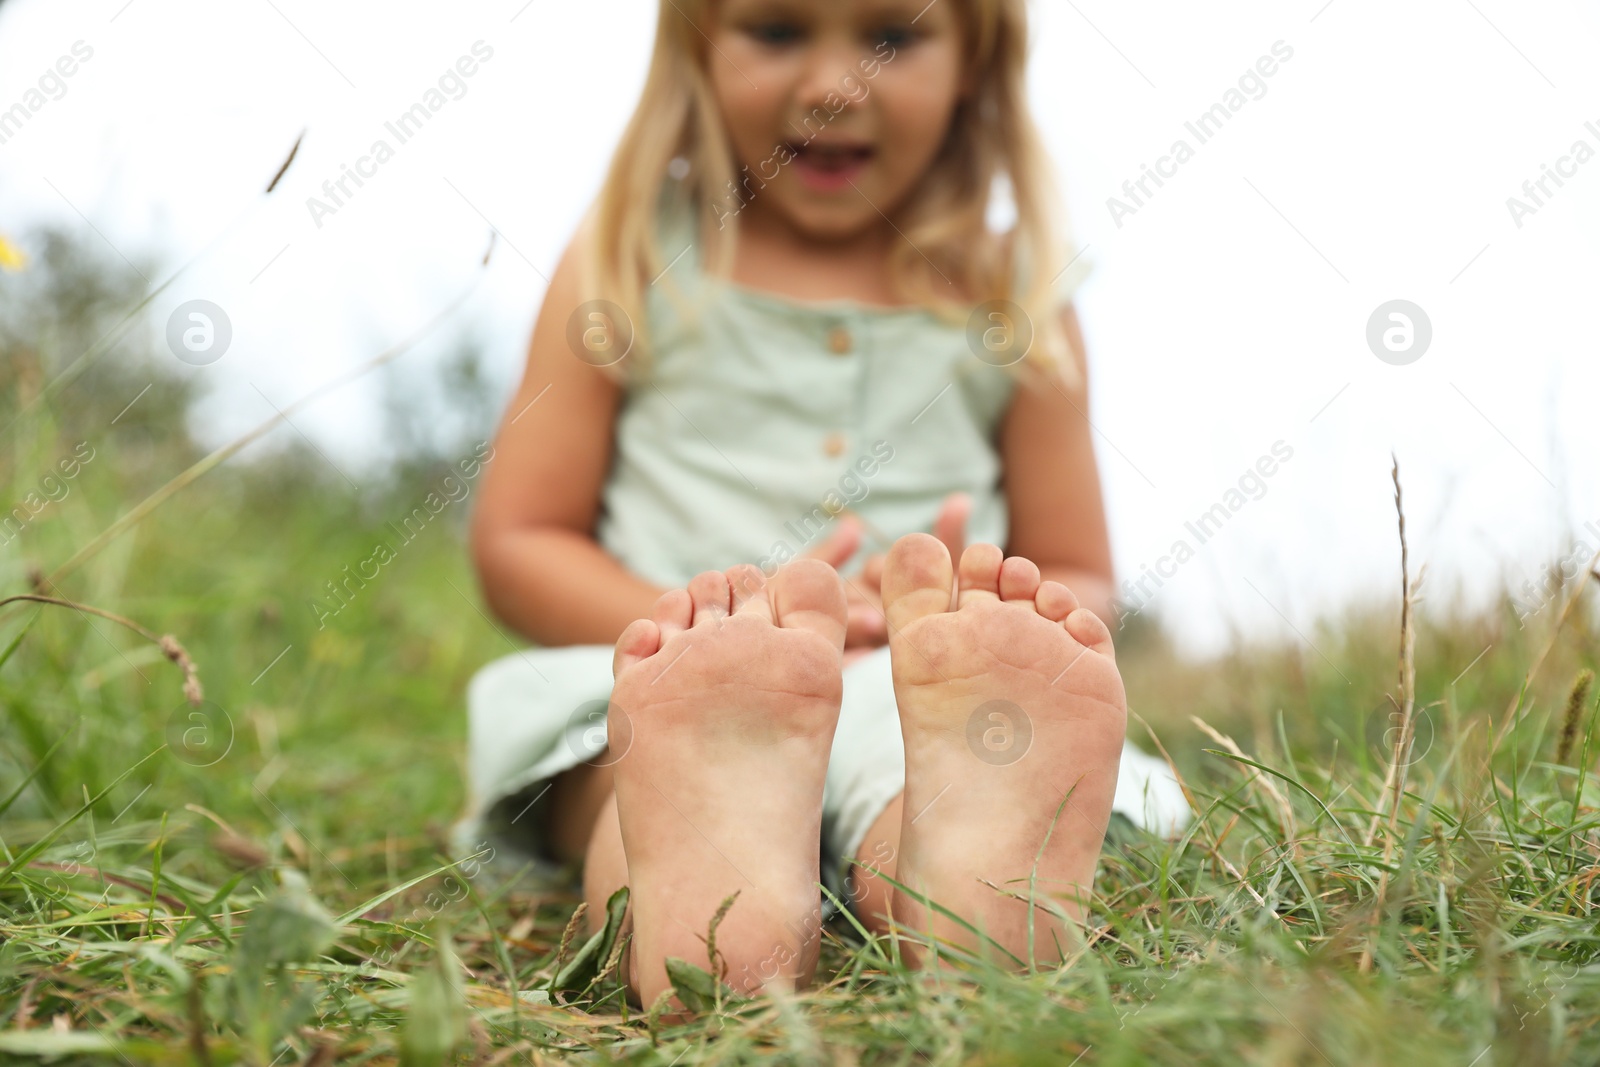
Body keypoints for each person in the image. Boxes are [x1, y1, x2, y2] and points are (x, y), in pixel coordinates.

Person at [459, 0, 1188, 1007]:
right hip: (655, 671)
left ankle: (963, 891)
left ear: (976, 61)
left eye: (891, 35)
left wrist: (967, 615)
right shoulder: (632, 258)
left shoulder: (1011, 291)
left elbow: (1079, 567)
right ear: (695, 49)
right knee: (635, 765)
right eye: (778, 30)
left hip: (917, 681)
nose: (832, 85)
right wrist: (696, 632)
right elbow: (521, 537)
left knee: (932, 770)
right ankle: (711, 891)